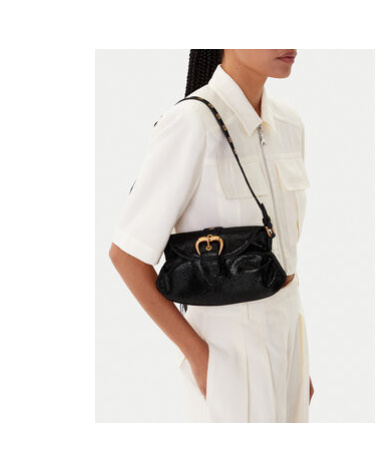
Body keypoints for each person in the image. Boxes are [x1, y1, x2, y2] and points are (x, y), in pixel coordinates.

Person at [109, 49, 314, 422]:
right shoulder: (191, 123)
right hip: (227, 344)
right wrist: (198, 356)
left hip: (290, 333)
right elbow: (127, 255)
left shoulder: (289, 125)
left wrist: (296, 361)